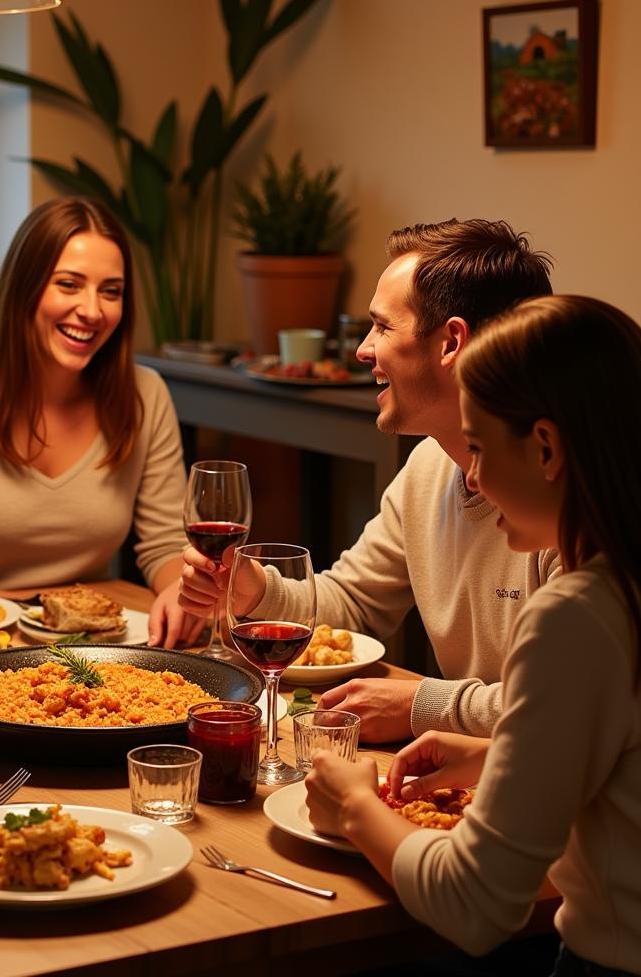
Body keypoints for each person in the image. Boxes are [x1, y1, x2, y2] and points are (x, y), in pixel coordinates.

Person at [304, 295, 641, 975]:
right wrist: (499, 753)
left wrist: (355, 807)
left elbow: (477, 904)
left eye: (480, 448)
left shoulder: (579, 613)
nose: (473, 477)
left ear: (545, 447)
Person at [167, 219, 559, 741]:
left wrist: (423, 703)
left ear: (451, 343)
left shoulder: (567, 495)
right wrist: (253, 589)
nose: (361, 351)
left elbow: (571, 699)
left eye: (382, 327)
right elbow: (354, 606)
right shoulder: (429, 466)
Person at [0, 196, 201, 644]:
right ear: (26, 287)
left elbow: (163, 545)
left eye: (111, 291)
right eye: (69, 284)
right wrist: (34, 616)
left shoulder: (144, 393)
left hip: (94, 641)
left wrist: (180, 590)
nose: (92, 311)